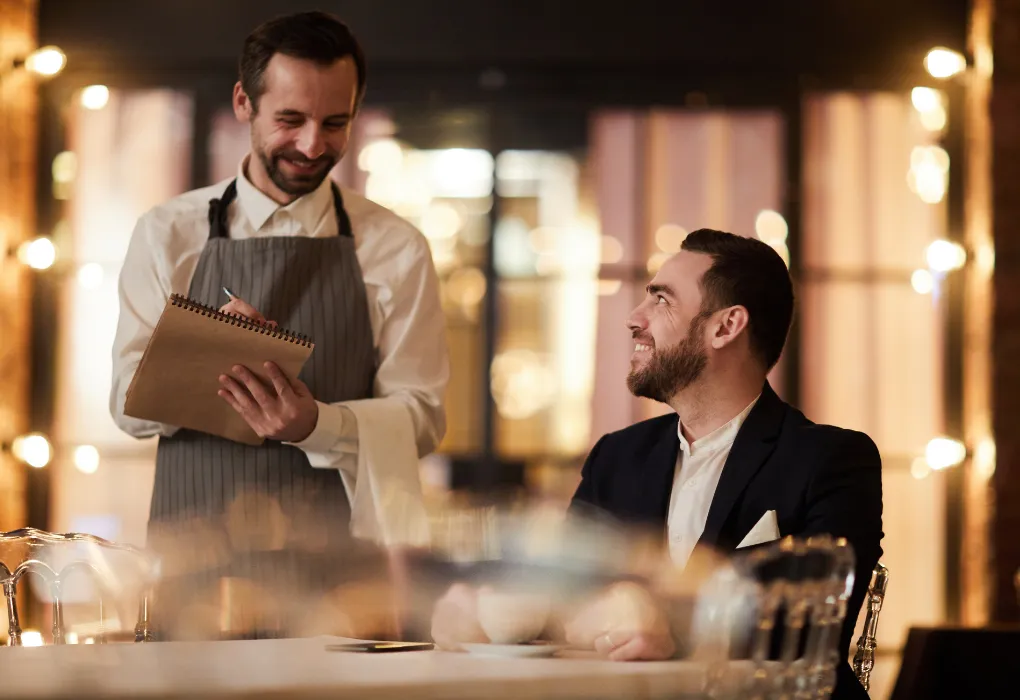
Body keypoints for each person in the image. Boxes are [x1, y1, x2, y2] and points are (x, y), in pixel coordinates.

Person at [432, 229, 881, 700]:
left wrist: (672, 624)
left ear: (726, 327)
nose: (634, 318)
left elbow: (814, 619)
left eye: (661, 301)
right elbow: (564, 589)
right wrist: (489, 612)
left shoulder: (831, 458)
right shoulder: (617, 456)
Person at [110, 11, 447, 634]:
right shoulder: (167, 235)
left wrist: (315, 424)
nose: (313, 145)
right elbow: (126, 410)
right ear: (245, 102)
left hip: (343, 581)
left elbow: (423, 417)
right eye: (290, 119)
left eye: (335, 122)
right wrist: (204, 348)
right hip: (196, 574)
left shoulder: (395, 248)